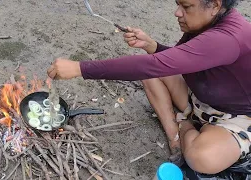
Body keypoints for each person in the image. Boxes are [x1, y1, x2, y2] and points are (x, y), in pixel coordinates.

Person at [47, 0, 251, 175]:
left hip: (234, 118)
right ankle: (175, 138)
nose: (177, 12)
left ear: (215, 5)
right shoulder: (204, 24)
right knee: (152, 74)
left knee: (201, 158)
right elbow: (178, 59)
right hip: (201, 98)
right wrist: (152, 46)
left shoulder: (227, 38)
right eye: (177, 4)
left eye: (186, 6)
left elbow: (157, 64)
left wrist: (80, 68)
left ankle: (186, 126)